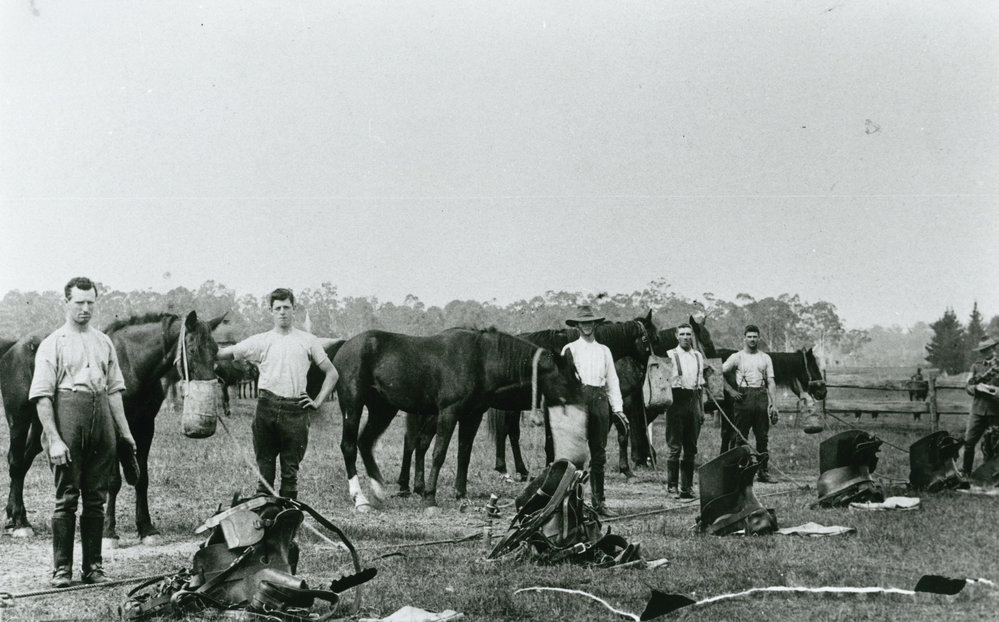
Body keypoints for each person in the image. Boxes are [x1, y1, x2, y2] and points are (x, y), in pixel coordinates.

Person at [28, 277, 136, 587]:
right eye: (79, 302)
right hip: (68, 415)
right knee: (66, 498)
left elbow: (114, 391)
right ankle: (62, 569)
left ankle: (94, 568)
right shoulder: (54, 343)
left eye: (90, 303)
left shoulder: (103, 341)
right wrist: (54, 438)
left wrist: (124, 434)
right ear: (67, 303)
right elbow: (42, 397)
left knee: (96, 499)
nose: (85, 309)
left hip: (101, 417)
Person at [217, 288, 338, 499]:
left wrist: (318, 401)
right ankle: (265, 520)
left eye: (286, 307)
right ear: (271, 311)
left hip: (296, 411)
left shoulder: (308, 340)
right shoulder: (262, 340)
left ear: (294, 310)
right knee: (265, 472)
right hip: (266, 408)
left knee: (290, 472)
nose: (282, 312)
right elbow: (223, 353)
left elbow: (332, 373)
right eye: (278, 308)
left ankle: (286, 522)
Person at [561, 305, 628, 517]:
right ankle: (573, 503)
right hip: (578, 403)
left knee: (599, 453)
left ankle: (599, 502)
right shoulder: (569, 349)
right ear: (577, 325)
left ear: (595, 324)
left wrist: (618, 410)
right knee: (576, 455)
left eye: (590, 322)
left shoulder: (604, 351)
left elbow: (613, 382)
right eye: (583, 323)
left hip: (600, 402)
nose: (587, 326)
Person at [721, 325, 778, 483]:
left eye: (755, 337)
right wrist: (731, 391)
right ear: (744, 338)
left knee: (762, 437)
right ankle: (741, 471)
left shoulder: (765, 358)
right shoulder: (737, 357)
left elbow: (771, 381)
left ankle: (763, 472)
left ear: (759, 338)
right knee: (741, 436)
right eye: (750, 337)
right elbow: (718, 372)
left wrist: (773, 404)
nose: (752, 340)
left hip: (761, 397)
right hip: (743, 398)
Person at [664, 323, 706, 498]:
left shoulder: (698, 356)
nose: (686, 337)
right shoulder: (670, 356)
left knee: (691, 447)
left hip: (693, 401)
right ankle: (672, 486)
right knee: (675, 446)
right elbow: (662, 383)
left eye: (689, 334)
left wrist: (701, 409)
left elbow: (701, 385)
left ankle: (687, 488)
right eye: (682, 334)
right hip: (676, 402)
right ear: (676, 336)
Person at [962, 337, 999, 476]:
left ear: (993, 349)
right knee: (969, 442)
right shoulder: (975, 366)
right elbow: (968, 386)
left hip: (996, 411)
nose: (984, 352)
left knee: (994, 445)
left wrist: (993, 390)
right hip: (977, 411)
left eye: (987, 349)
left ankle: (992, 475)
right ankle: (966, 473)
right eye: (982, 350)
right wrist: (976, 388)